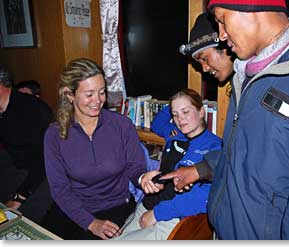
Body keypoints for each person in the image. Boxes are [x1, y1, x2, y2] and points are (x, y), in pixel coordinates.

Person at [158, 0, 289, 240]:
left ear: (250, 6)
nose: (221, 35)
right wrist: (201, 169)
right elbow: (245, 152)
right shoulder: (247, 75)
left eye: (222, 20)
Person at [41, 58, 148, 240]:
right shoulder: (54, 135)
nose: (98, 101)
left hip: (117, 206)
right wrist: (90, 222)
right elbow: (59, 190)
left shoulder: (122, 125)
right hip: (74, 208)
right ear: (70, 94)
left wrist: (143, 178)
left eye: (101, 92)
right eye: (89, 94)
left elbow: (135, 167)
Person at [113, 88, 222, 240]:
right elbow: (157, 123)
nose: (180, 119)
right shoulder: (175, 132)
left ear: (201, 112)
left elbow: (206, 196)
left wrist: (158, 213)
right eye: (175, 114)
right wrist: (175, 103)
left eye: (186, 112)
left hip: (173, 215)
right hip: (149, 203)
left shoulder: (215, 147)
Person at [0, 66, 54, 213]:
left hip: (41, 180)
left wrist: (18, 198)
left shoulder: (31, 109)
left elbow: (44, 161)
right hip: (17, 173)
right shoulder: (4, 110)